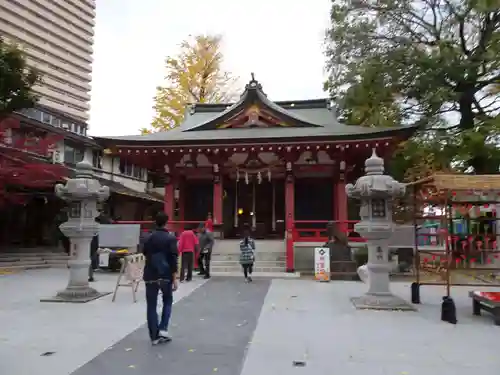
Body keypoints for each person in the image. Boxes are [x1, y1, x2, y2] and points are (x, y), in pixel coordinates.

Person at [142, 212, 179, 345]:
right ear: (166, 222)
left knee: (151, 305)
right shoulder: (170, 239)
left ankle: (154, 336)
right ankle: (163, 328)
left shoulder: (147, 238)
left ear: (154, 222)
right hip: (166, 274)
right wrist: (175, 277)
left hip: (150, 273)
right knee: (167, 300)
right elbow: (173, 259)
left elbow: (144, 252)